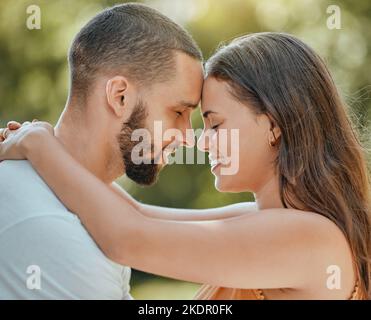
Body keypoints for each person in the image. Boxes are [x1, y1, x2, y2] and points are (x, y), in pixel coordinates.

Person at [1, 33, 370, 300]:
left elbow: (129, 239)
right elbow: (136, 213)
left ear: (273, 124)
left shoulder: (310, 238)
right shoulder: (266, 220)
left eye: (215, 124)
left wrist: (38, 144)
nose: (199, 140)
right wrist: (53, 154)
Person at [0, 3, 204, 299]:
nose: (187, 137)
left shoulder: (91, 214)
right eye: (178, 112)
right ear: (120, 97)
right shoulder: (53, 229)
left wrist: (39, 145)